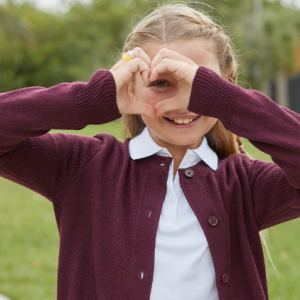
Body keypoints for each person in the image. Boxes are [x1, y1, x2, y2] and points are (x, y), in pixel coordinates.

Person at [0, 2, 299, 300]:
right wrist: (86, 100)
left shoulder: (245, 184)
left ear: (226, 86)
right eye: (160, 83)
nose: (182, 102)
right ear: (131, 87)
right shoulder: (84, 166)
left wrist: (227, 102)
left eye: (199, 84)